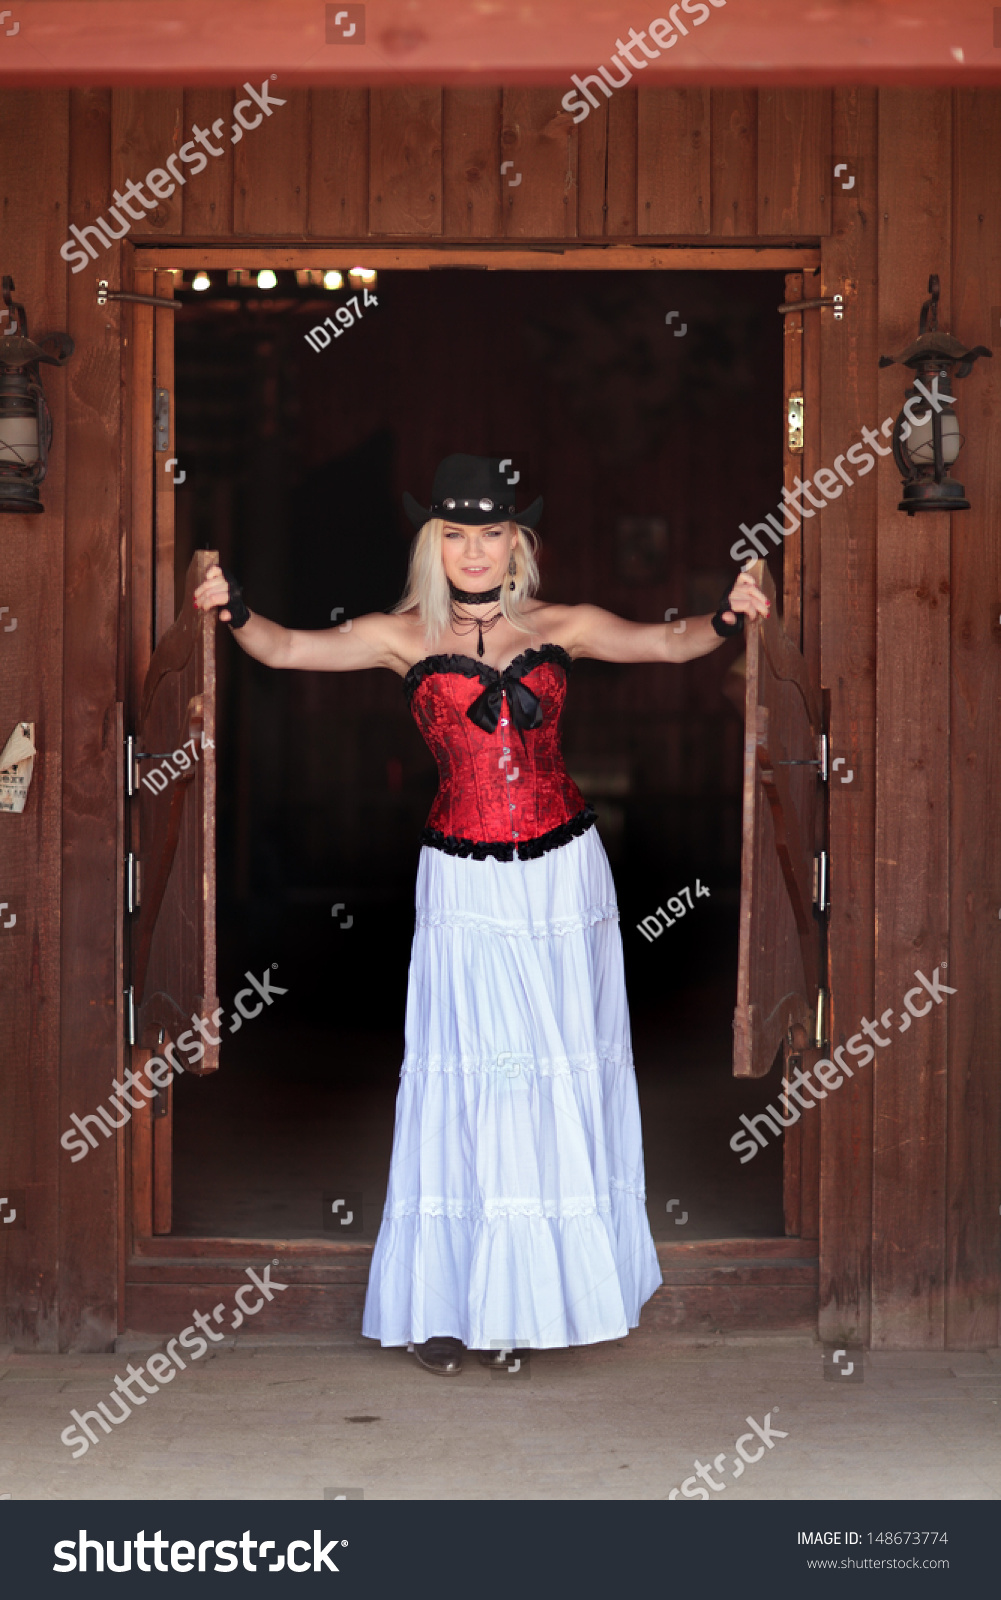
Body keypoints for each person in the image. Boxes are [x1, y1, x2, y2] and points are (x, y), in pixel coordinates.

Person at [194, 453, 770, 1376]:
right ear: (434, 542)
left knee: (555, 1068)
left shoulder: (561, 625)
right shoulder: (398, 634)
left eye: (491, 531)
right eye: (455, 534)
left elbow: (666, 643)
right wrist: (230, 607)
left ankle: (543, 1296)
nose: (473, 550)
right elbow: (289, 648)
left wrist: (729, 614)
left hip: (563, 875)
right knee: (475, 1072)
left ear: (517, 541)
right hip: (462, 878)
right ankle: (455, 1300)